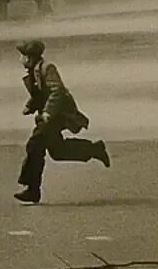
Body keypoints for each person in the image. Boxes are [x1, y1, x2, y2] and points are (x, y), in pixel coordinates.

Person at [14, 40, 110, 204]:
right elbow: (39, 94)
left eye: (22, 56)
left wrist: (47, 113)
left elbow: (57, 91)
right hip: (48, 116)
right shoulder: (34, 71)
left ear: (30, 57)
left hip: (56, 115)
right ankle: (93, 149)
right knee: (58, 152)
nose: (20, 59)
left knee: (34, 145)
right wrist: (30, 106)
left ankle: (32, 189)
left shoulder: (47, 68)